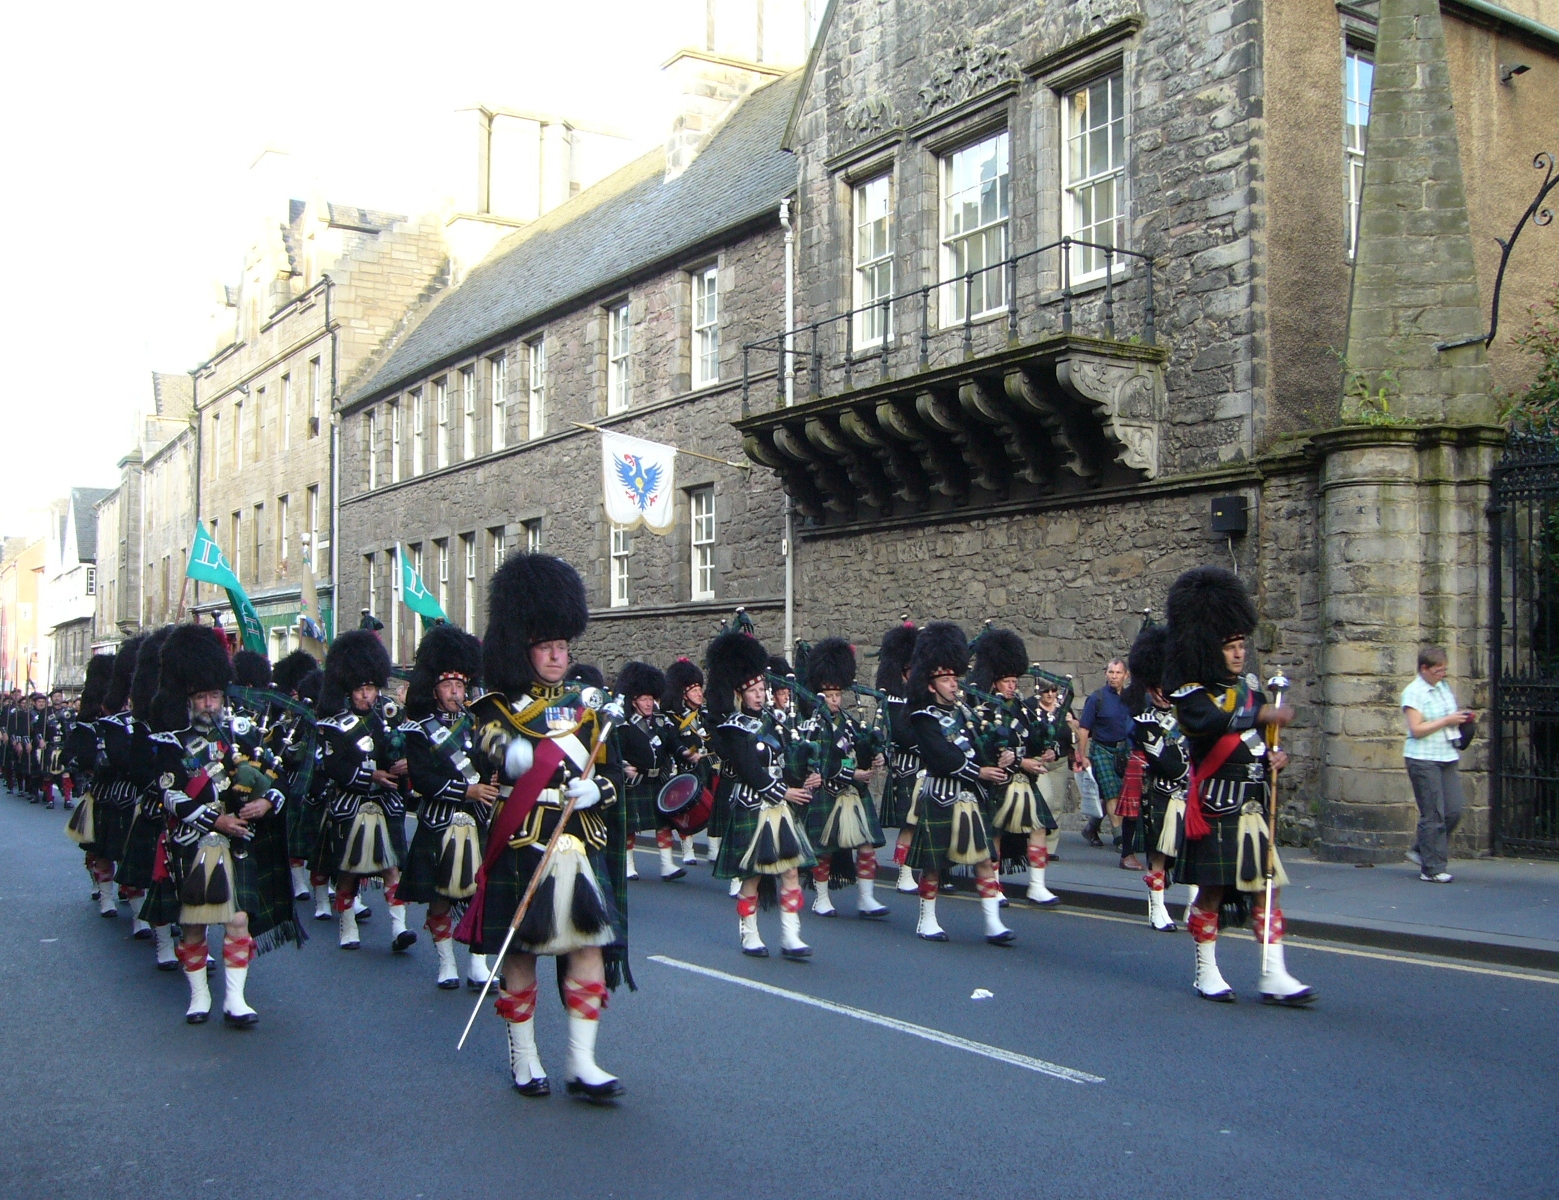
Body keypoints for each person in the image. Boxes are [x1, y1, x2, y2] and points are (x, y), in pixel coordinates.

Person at [457, 553, 628, 1103]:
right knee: (522, 953)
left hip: (576, 842)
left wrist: (593, 790)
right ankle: (525, 1056)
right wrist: (514, 756)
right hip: (524, 841)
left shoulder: (589, 709)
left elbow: (612, 781)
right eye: (547, 646)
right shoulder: (496, 709)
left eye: (563, 646)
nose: (558, 656)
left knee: (589, 948)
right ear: (523, 648)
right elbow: (488, 747)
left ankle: (583, 1061)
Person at [1165, 566, 1312, 1006]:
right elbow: (1207, 724)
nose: (1238, 654)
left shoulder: (1251, 690)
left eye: (1241, 645)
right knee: (1212, 890)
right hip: (1217, 804)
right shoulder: (1192, 694)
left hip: (1252, 802)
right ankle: (1206, 971)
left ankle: (1273, 972)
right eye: (1230, 647)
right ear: (1211, 648)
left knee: (1269, 885)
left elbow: (1263, 746)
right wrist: (1261, 717)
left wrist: (1276, 758)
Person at [148, 625, 302, 1026]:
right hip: (195, 842)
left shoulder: (244, 732)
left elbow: (277, 773)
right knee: (195, 926)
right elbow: (170, 794)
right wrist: (216, 819)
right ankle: (199, 995)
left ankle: (235, 999)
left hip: (240, 844)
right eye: (200, 696)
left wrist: (268, 801)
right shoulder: (171, 742)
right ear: (187, 698)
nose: (208, 703)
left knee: (238, 920)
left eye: (214, 695)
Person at [707, 627, 817, 958]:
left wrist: (806, 775)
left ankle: (791, 935)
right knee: (752, 874)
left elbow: (785, 760)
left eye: (760, 688)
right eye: (752, 690)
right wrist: (785, 793)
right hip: (752, 804)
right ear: (739, 695)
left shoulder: (776, 723)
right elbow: (748, 770)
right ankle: (749, 933)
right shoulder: (734, 728)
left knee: (790, 869)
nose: (758, 694)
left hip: (778, 807)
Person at [398, 623, 495, 990]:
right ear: (434, 690)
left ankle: (478, 965)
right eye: (448, 686)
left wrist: (493, 781)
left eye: (460, 686)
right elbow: (421, 779)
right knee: (440, 897)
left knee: (480, 893)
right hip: (438, 822)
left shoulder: (479, 725)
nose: (456, 692)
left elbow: (489, 767)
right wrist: (465, 792)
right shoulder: (418, 730)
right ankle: (445, 963)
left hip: (477, 820)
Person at [905, 622, 1014, 946]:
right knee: (934, 864)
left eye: (955, 678)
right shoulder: (923, 717)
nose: (954, 684)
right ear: (931, 684)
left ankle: (993, 923)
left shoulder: (966, 713)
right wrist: (978, 772)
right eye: (946, 679)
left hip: (969, 798)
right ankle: (927, 920)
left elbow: (978, 746)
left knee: (985, 858)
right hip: (941, 796)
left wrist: (998, 756)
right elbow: (940, 756)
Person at [317, 631, 413, 952]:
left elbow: (392, 753)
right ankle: (347, 925)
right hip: (351, 803)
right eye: (360, 689)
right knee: (347, 871)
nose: (366, 695)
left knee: (392, 867)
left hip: (383, 803)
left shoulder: (386, 719)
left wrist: (401, 765)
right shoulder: (333, 724)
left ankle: (399, 928)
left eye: (370, 688)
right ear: (349, 689)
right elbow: (334, 767)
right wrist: (372, 775)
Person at [800, 637, 889, 919]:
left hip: (853, 794)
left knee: (866, 846)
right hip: (828, 792)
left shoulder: (851, 722)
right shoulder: (813, 725)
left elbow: (862, 747)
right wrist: (853, 773)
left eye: (838, 695)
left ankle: (866, 898)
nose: (835, 701)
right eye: (829, 696)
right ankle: (822, 899)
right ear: (819, 696)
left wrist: (877, 755)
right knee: (825, 849)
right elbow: (820, 763)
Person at [972, 628, 1060, 906]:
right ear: (995, 682)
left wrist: (1048, 748)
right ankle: (994, 886)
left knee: (1038, 828)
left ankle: (1037, 885)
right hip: (1001, 781)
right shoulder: (985, 710)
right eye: (1007, 681)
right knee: (996, 832)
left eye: (1014, 680)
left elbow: (1034, 735)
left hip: (1025, 782)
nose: (1012, 685)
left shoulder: (1024, 708)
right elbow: (988, 748)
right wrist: (1022, 761)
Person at [1122, 623, 1188, 932]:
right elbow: (1168, 763)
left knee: (1193, 849)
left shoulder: (1188, 715)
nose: (1163, 694)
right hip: (1161, 792)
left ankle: (1194, 904)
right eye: (1156, 688)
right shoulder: (1142, 723)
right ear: (1149, 688)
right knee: (1158, 853)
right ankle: (1157, 906)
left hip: (1189, 794)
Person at [1401, 646, 1475, 884]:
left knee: (1453, 811)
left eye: (1444, 670)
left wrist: (1462, 718)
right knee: (1433, 813)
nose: (1442, 674)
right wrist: (1447, 720)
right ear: (1424, 668)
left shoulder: (1443, 687)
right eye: (1438, 670)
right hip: (1423, 758)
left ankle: (1422, 849)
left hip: (1446, 755)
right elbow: (1417, 729)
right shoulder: (1413, 692)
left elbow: (1449, 716)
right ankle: (1432, 868)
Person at [615, 662, 678, 882]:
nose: (649, 703)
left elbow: (673, 744)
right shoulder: (623, 726)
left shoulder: (662, 722)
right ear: (634, 701)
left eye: (651, 699)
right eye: (644, 699)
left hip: (657, 779)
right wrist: (624, 767)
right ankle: (629, 866)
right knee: (630, 825)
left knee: (664, 822)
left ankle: (667, 864)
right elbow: (613, 753)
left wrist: (685, 754)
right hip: (636, 781)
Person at [872, 621, 922, 894]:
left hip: (928, 767)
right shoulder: (892, 699)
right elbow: (900, 732)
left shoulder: (925, 695)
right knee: (909, 823)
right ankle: (904, 872)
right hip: (906, 766)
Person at [1076, 658, 1133, 857]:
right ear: (1106, 674)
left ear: (1126, 675)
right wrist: (1082, 756)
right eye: (1111, 672)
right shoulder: (1097, 698)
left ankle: (1091, 827)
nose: (1114, 676)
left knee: (1112, 794)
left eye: (1118, 673)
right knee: (1112, 793)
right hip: (1102, 750)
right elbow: (1084, 730)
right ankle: (1119, 838)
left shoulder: (1131, 698)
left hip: (1124, 751)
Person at [664, 658, 713, 868]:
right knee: (686, 810)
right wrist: (684, 752)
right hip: (686, 768)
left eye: (700, 690)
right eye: (694, 691)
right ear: (684, 694)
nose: (700, 694)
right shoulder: (674, 718)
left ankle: (713, 847)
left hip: (707, 766)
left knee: (712, 806)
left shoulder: (706, 716)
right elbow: (673, 740)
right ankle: (687, 848)